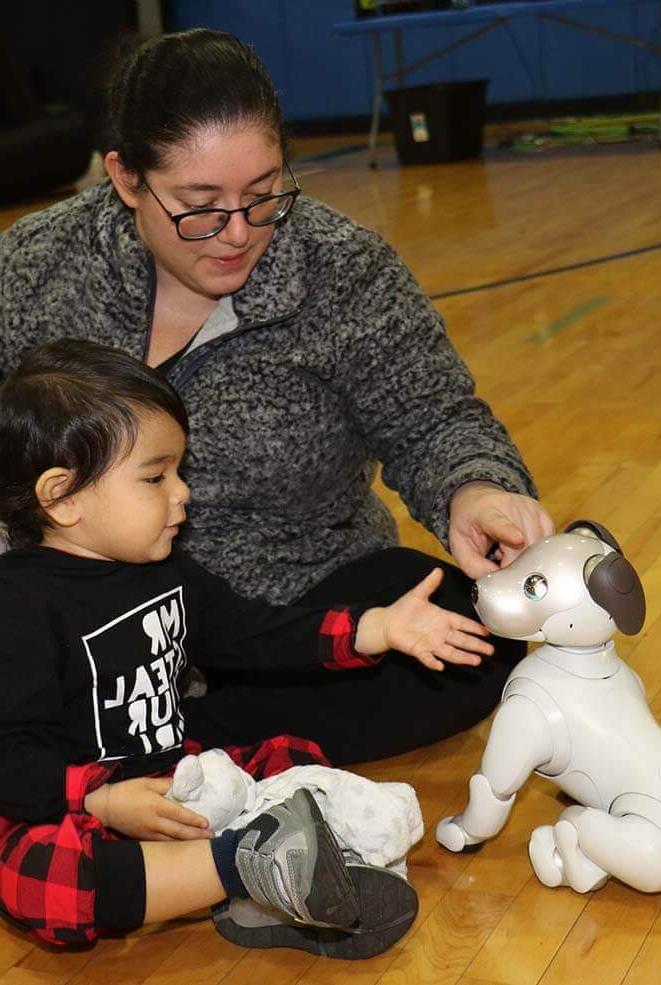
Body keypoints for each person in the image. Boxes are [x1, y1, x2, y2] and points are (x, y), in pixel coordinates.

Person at [0, 28, 555, 764]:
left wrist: (475, 491)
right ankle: (177, 742)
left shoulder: (343, 268)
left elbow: (433, 418)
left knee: (456, 625)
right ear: (126, 178)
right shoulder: (35, 266)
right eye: (199, 206)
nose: (237, 234)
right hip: (83, 619)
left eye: (263, 198)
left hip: (294, 609)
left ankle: (143, 744)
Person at [0, 338, 493, 951]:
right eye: (155, 476)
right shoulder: (17, 605)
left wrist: (378, 627)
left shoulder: (164, 569)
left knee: (291, 759)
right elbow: (10, 760)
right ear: (63, 497)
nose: (182, 493)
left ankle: (282, 883)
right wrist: (100, 801)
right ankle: (247, 869)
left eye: (180, 470)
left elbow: (252, 633)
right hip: (74, 808)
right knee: (37, 878)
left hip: (174, 780)